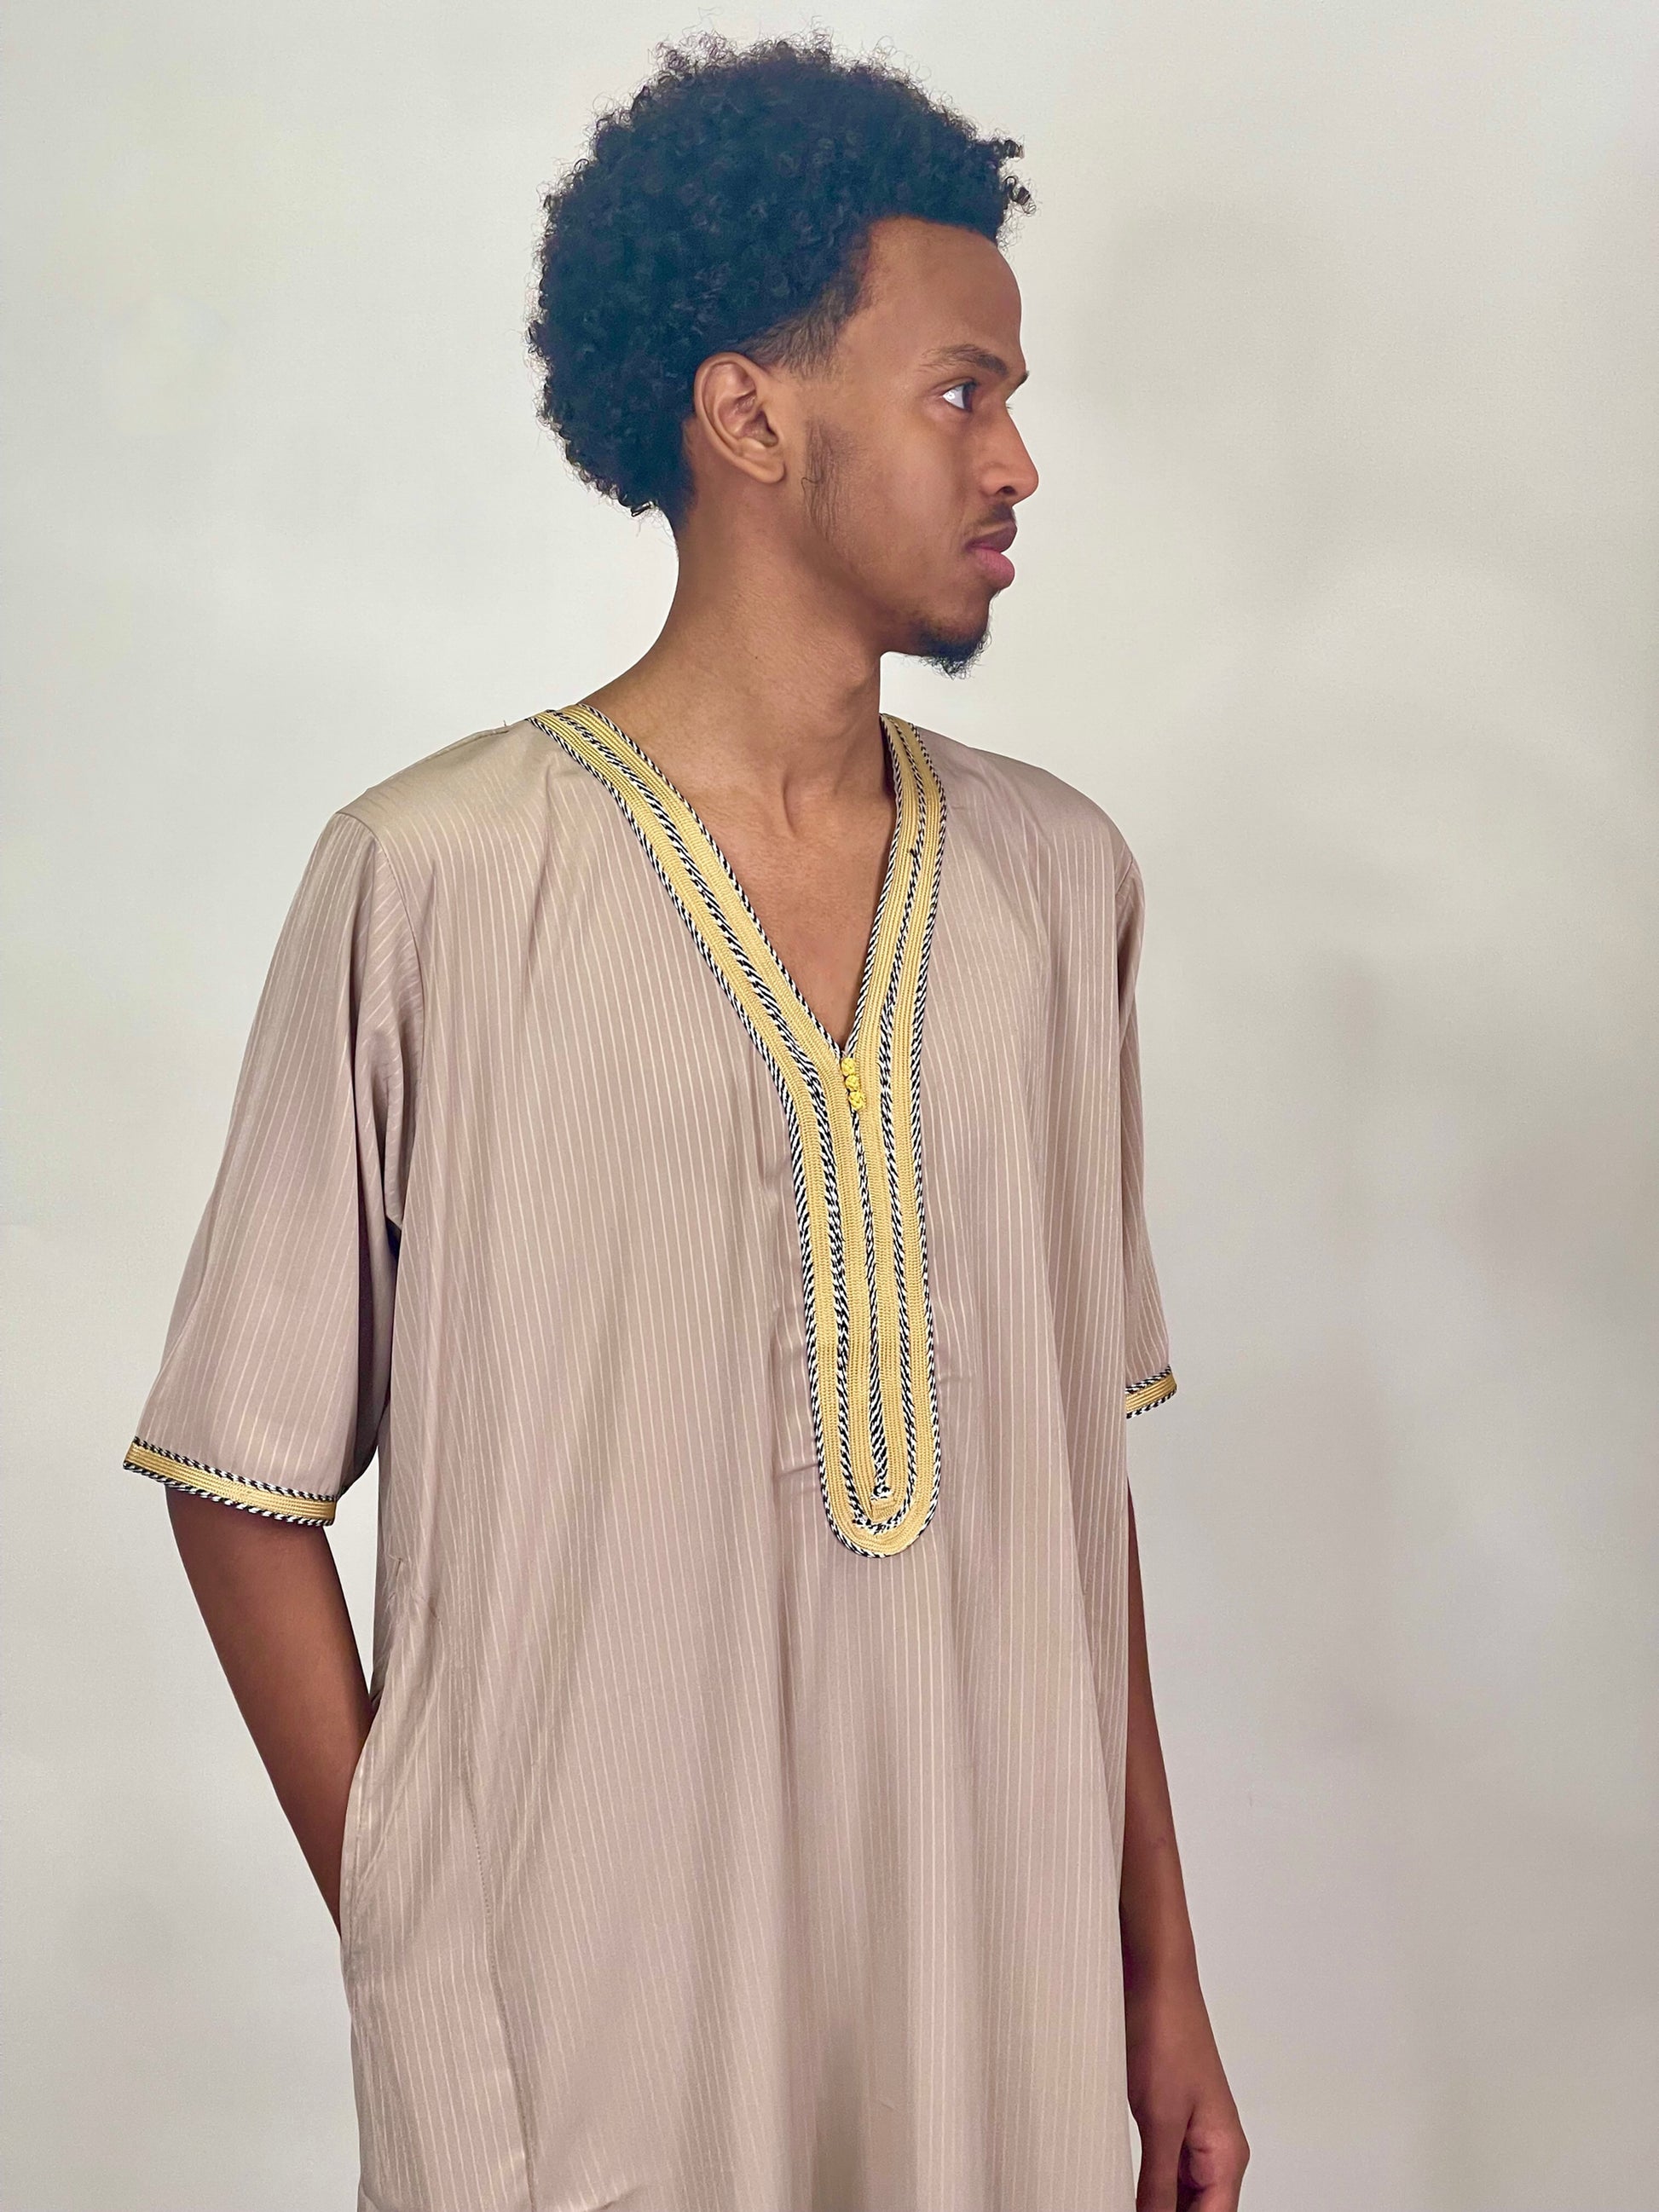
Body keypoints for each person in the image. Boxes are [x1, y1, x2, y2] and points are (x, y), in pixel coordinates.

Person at [121, 30, 1248, 2212]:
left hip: (986, 2032)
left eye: (1011, 397)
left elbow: (1065, 1481)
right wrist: (416, 1951)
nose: (1018, 459)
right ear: (748, 416)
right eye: (961, 392)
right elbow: (239, 1475)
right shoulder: (439, 878)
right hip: (581, 2072)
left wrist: (1160, 1981)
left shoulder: (1057, 885)